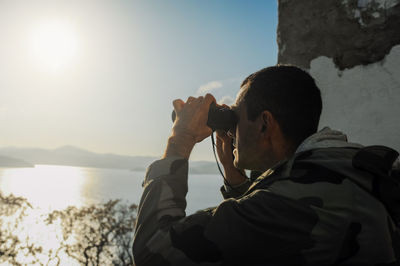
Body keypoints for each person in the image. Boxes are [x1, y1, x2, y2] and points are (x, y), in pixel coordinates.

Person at [132, 65, 400, 265]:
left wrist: (180, 139)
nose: (232, 131)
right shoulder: (347, 165)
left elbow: (153, 252)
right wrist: (235, 177)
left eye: (235, 118)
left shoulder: (285, 207)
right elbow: (270, 224)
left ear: (264, 123)